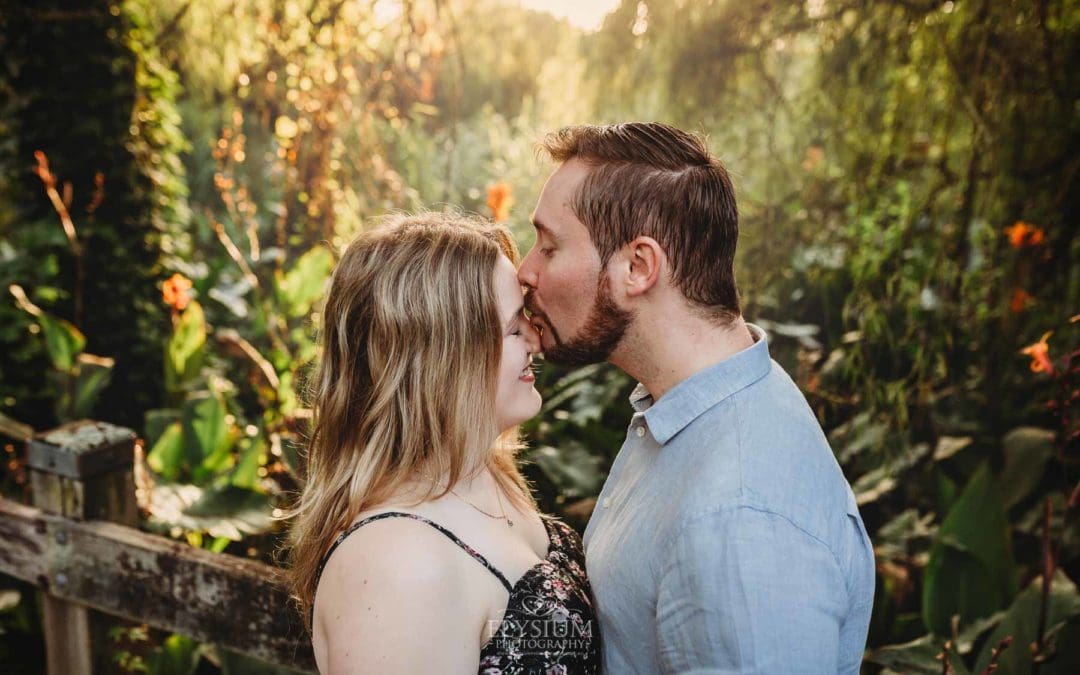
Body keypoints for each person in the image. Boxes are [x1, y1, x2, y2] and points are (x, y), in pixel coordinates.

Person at [518, 123, 875, 674]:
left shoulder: (738, 522)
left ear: (637, 267)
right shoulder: (693, 408)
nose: (527, 270)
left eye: (549, 245)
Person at [287, 213, 601, 674]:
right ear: (444, 359)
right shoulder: (394, 566)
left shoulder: (484, 473)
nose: (535, 338)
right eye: (514, 328)